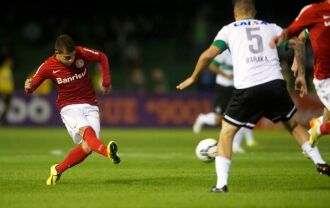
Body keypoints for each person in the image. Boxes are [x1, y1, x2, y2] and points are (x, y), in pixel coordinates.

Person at [177, 0, 329, 193]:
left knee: (226, 132)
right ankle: (320, 162)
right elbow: (298, 42)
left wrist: (193, 77)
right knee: (293, 125)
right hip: (275, 85)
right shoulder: (271, 27)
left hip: (248, 87)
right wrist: (298, 73)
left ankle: (221, 184)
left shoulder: (228, 30)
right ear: (255, 11)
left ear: (235, 13)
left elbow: (207, 56)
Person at [24, 34, 121, 185]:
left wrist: (106, 81)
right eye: (67, 58)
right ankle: (107, 152)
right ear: (57, 54)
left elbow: (102, 57)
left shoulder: (80, 52)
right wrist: (29, 87)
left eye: (73, 56)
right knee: (88, 132)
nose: (71, 60)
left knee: (89, 146)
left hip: (91, 104)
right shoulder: (47, 66)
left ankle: (57, 170)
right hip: (68, 106)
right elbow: (33, 86)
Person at [270, 0, 330, 147]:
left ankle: (319, 126)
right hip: (326, 76)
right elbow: (301, 36)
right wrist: (297, 61)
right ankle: (320, 128)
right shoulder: (316, 12)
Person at [192, 50, 256, 153]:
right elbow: (212, 66)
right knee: (219, 119)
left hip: (237, 87)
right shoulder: (224, 53)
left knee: (240, 115)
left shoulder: (242, 51)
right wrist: (225, 75)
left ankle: (236, 145)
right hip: (222, 87)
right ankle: (202, 118)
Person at [0, 55, 14, 125]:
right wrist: (2, 92)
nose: (10, 64)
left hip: (8, 92)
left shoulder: (8, 70)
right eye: (9, 62)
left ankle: (3, 119)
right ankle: (3, 120)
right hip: (4, 91)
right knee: (6, 106)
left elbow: (9, 82)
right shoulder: (3, 70)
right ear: (5, 62)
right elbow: (2, 82)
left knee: (8, 106)